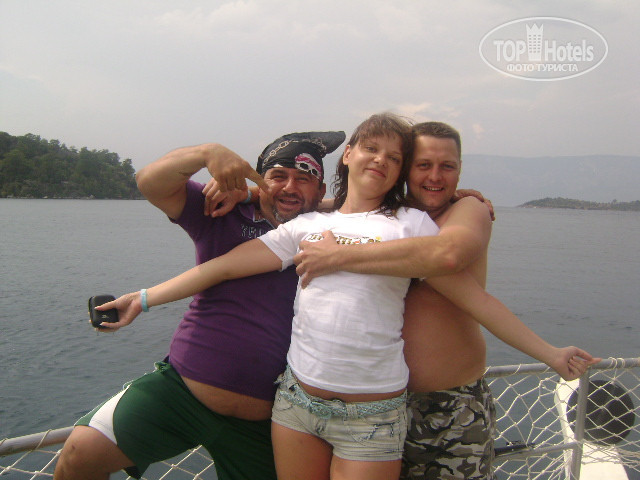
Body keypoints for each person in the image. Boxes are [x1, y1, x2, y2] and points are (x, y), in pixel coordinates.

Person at [98, 114, 596, 480]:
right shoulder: (310, 224)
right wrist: (144, 298)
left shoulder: (411, 225)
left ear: (399, 173)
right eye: (371, 149)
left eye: (394, 158)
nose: (381, 160)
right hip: (297, 405)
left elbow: (474, 299)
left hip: (373, 415)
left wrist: (550, 354)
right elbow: (223, 267)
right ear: (350, 154)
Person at [292, 121, 602, 479]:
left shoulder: (468, 210)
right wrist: (268, 198)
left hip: (449, 407)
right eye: (423, 165)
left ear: (460, 170)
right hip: (375, 408)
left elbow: (451, 259)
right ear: (404, 169)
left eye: (447, 166)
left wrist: (551, 354)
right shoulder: (391, 220)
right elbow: (343, 207)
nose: (435, 177)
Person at [53, 130, 344, 480]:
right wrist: (206, 153)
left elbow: (374, 207)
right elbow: (151, 182)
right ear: (259, 179)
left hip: (273, 417)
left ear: (321, 191)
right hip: (183, 393)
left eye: (303, 179)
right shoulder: (219, 210)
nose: (289, 187)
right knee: (78, 454)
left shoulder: (334, 233)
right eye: (277, 176)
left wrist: (252, 193)